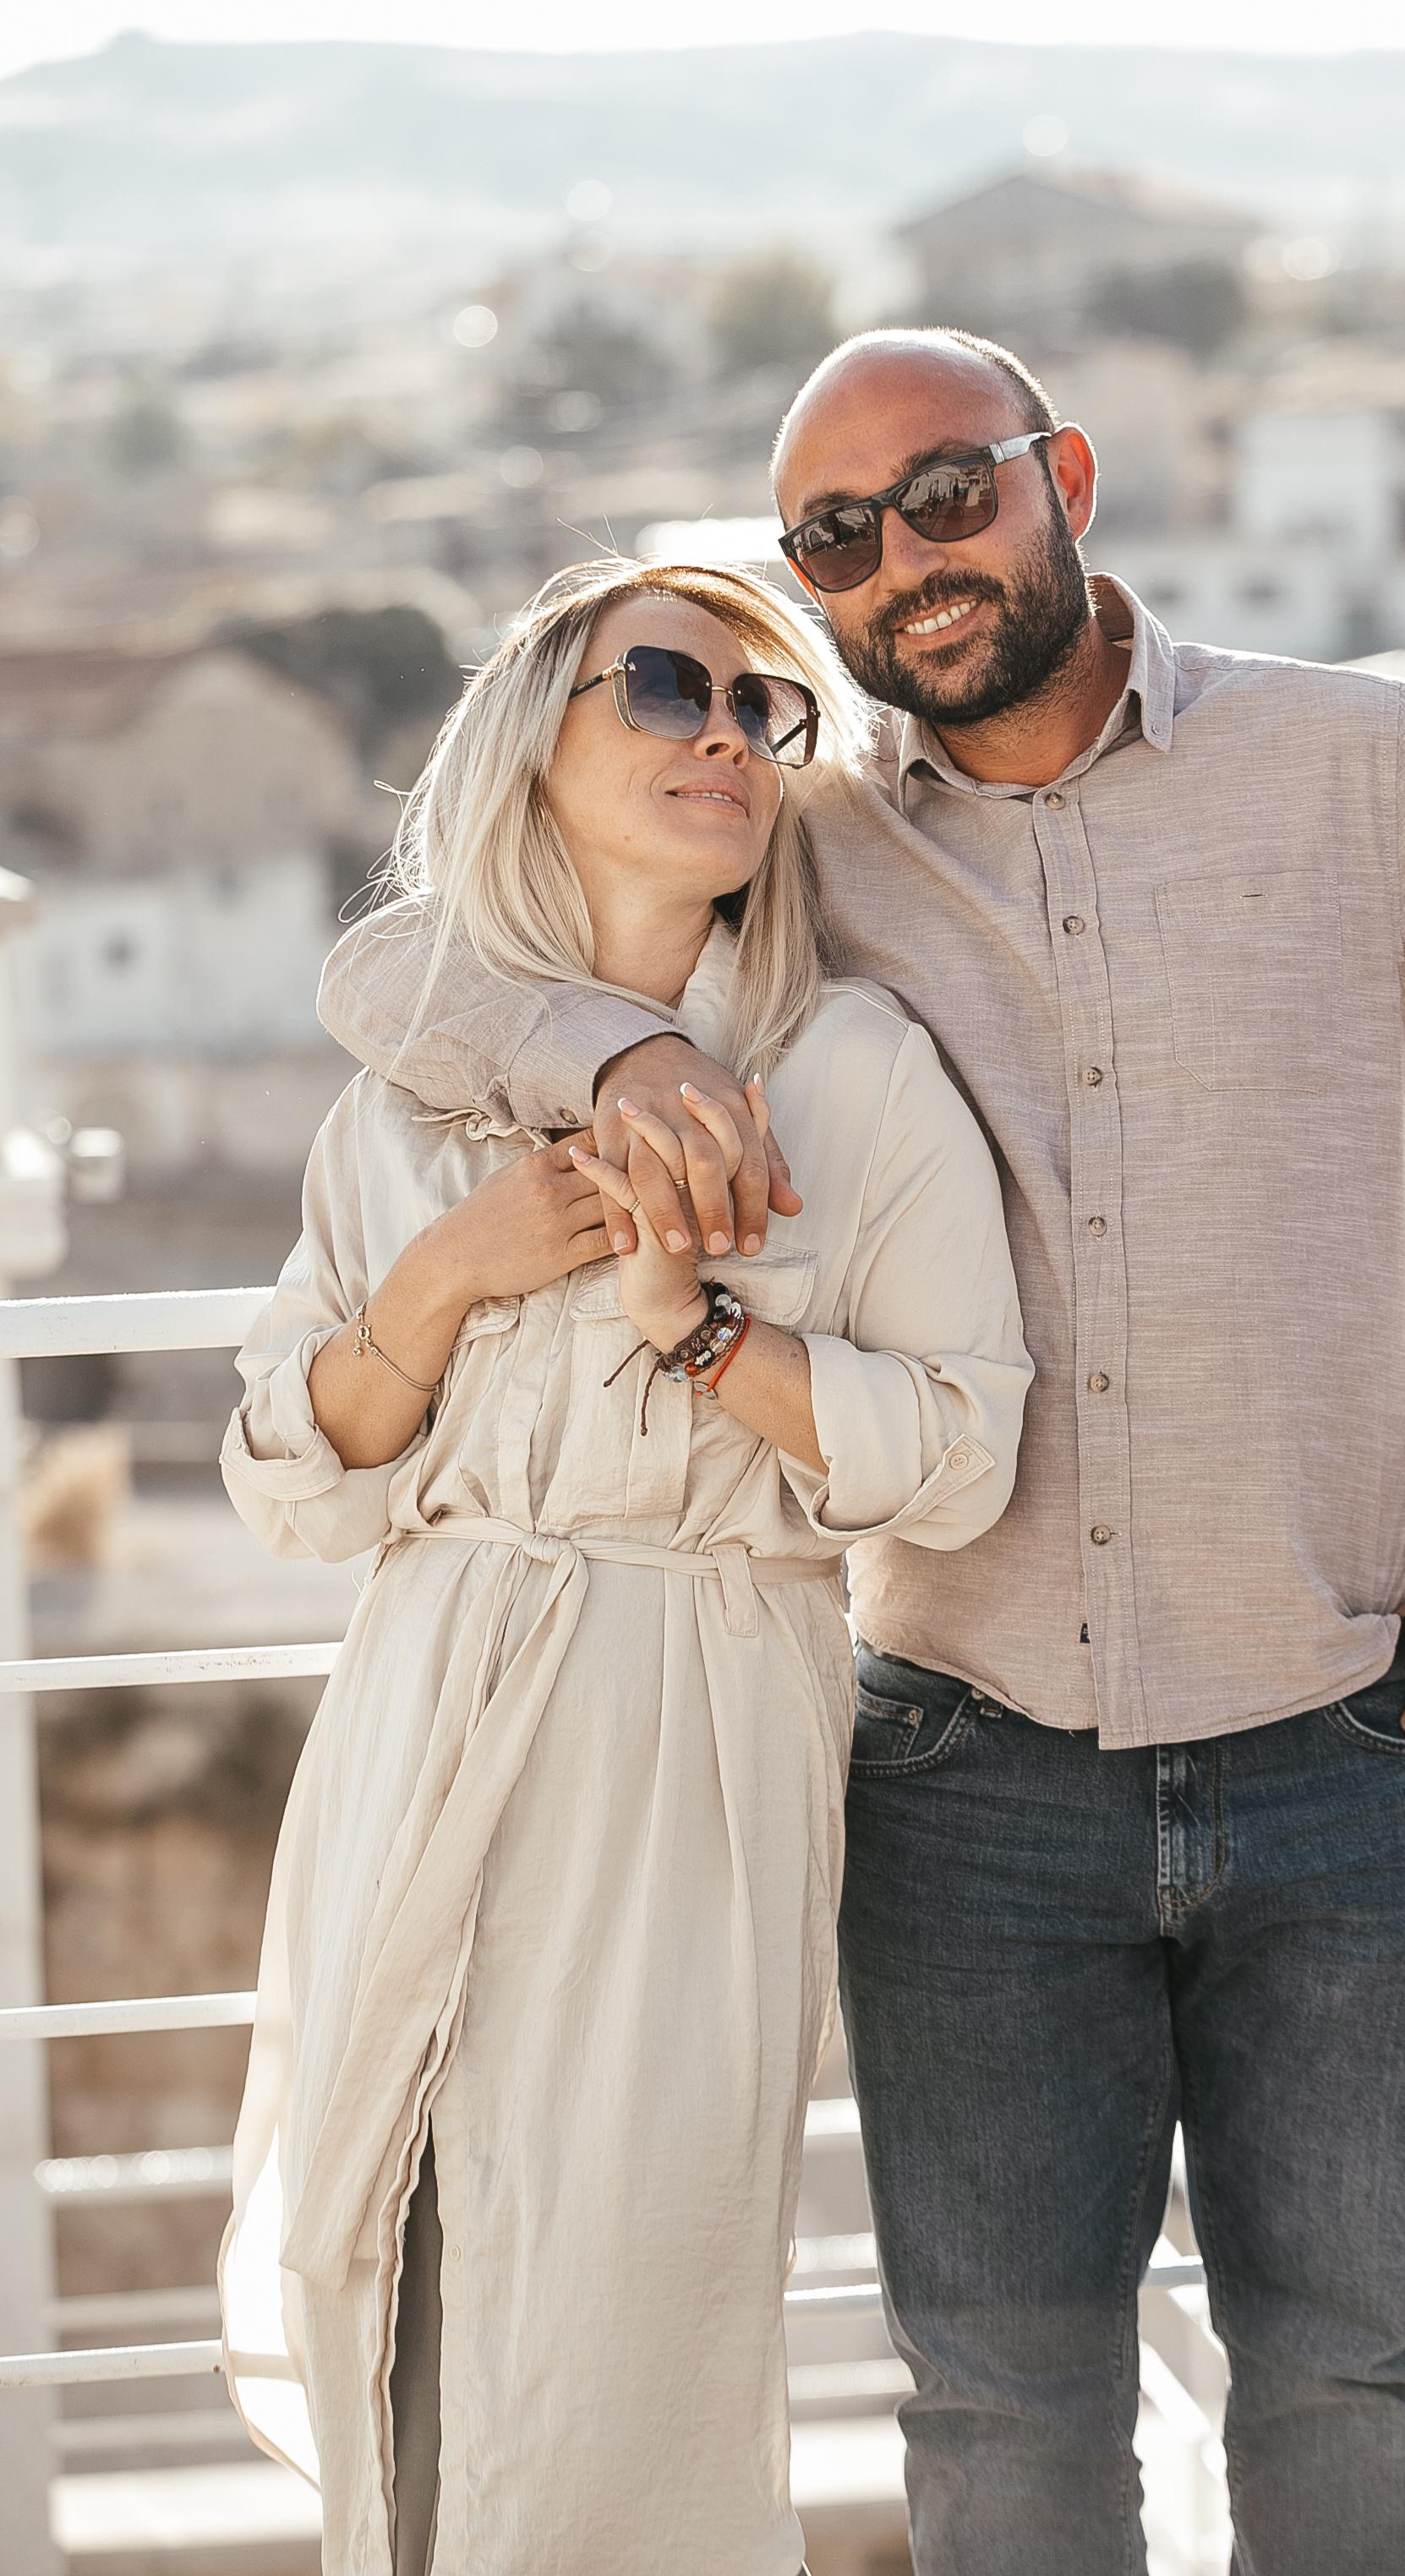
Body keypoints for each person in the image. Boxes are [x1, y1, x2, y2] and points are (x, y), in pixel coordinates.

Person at [320, 331, 1405, 2576]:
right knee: (999, 2415)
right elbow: (396, 966)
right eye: (833, 537)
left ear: (1063, 474)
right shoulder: (806, 832)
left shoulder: (1369, 765)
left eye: (946, 494)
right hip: (962, 1768)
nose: (903, 560)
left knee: (1350, 2371)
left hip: (1351, 1731)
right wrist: (604, 1044)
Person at [216, 554, 1031, 2576]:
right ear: (530, 738)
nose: (722, 738)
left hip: (688, 1727)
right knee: (369, 2236)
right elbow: (294, 1487)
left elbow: (959, 1450)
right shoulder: (401, 1099)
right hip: (421, 1694)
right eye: (662, 685)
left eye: (770, 713)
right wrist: (444, 1275)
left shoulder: (855, 1075)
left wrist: (705, 1336)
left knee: (618, 2312)